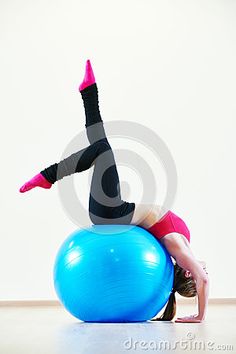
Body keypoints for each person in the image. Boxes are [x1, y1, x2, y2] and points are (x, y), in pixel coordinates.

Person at [19, 60, 209, 323]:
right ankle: (89, 91)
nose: (202, 266)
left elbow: (203, 278)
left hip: (111, 215)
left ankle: (48, 176)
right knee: (100, 144)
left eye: (197, 269)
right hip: (116, 209)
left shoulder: (178, 249)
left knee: (102, 151)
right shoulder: (183, 242)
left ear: (187, 273)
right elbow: (200, 274)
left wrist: (200, 315)